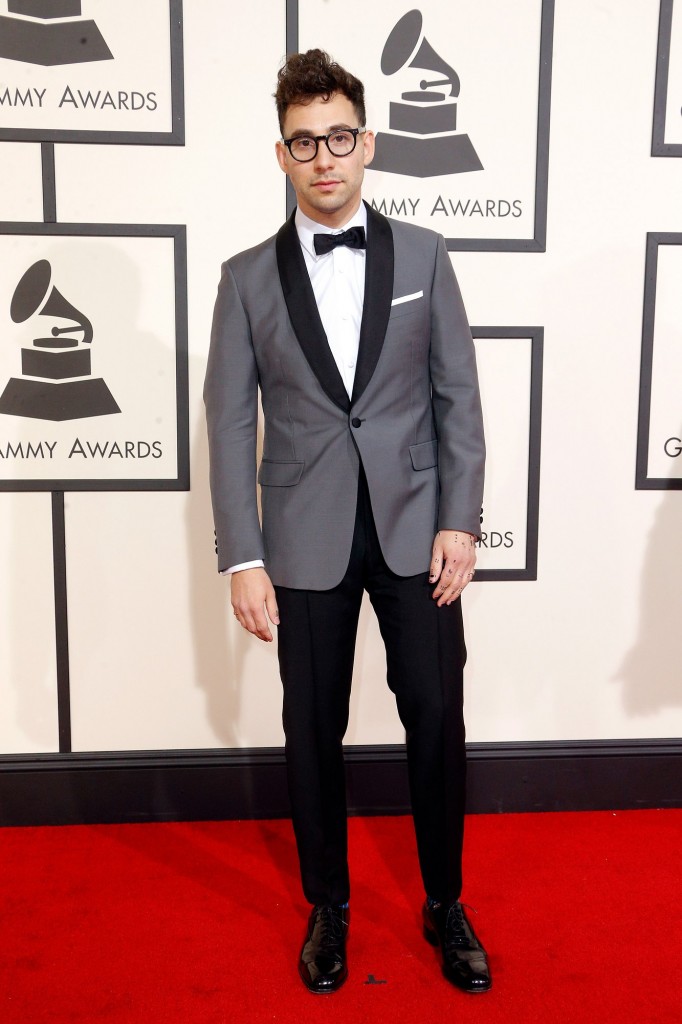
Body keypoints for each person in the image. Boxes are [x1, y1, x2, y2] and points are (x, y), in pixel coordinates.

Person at [204, 48, 491, 995]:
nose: (324, 158)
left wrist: (461, 519)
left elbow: (459, 395)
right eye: (303, 143)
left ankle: (445, 902)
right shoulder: (246, 277)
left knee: (437, 716)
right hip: (302, 535)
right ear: (281, 156)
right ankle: (329, 905)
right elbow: (230, 415)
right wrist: (241, 555)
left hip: (417, 531)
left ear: (366, 142)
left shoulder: (425, 255)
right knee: (310, 727)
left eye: (338, 136)